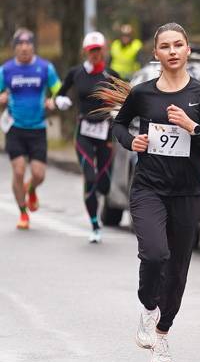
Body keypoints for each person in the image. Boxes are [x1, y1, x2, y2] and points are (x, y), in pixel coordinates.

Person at [107, 23, 200, 362]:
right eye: (165, 46)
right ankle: (147, 307)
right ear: (156, 54)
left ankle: (162, 335)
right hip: (149, 188)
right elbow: (118, 125)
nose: (172, 51)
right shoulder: (143, 93)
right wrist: (133, 141)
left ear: (188, 50)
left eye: (178, 45)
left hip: (187, 193)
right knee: (155, 254)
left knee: (177, 270)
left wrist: (193, 127)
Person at [55, 31, 120, 243]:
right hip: (84, 130)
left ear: (103, 50)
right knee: (90, 178)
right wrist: (60, 101)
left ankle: (99, 203)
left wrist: (120, 110)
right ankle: (94, 224)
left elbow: (129, 97)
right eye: (91, 51)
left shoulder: (111, 75)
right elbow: (61, 93)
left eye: (98, 50)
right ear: (86, 51)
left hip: (105, 132)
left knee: (104, 184)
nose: (95, 54)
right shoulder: (76, 73)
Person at [0, 28, 61, 230]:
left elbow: (58, 90)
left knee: (39, 174)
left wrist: (53, 101)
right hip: (15, 127)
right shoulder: (6, 70)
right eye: (20, 45)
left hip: (38, 128)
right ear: (15, 48)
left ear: (33, 46)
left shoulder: (45, 68)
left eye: (28, 44)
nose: (24, 48)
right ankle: (23, 213)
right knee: (18, 171)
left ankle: (31, 188)